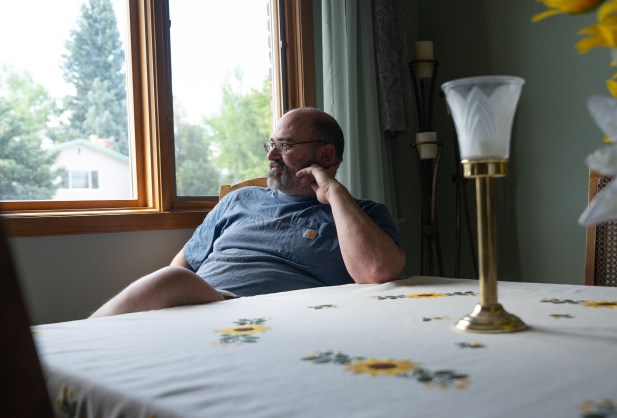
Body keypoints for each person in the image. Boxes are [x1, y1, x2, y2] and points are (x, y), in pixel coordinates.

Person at [90, 107, 405, 317]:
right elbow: (183, 266)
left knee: (169, 280)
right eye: (270, 144)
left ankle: (73, 344)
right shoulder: (240, 200)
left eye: (283, 146)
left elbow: (377, 272)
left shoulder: (361, 215)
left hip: (264, 314)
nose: (271, 154)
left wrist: (334, 191)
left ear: (324, 154)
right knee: (171, 280)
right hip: (202, 307)